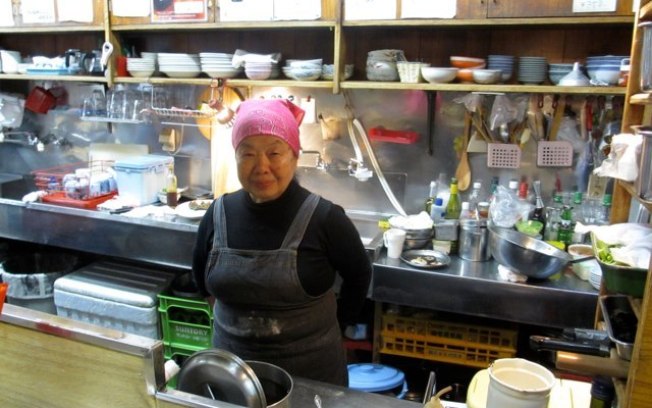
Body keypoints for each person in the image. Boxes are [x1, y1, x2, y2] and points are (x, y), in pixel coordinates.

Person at [191, 98, 372, 386]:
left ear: (294, 156)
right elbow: (200, 277)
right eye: (247, 153)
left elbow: (359, 273)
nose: (261, 166)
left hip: (311, 375)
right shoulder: (217, 214)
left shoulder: (325, 218)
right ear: (235, 157)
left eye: (274, 153)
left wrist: (340, 324)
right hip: (234, 374)